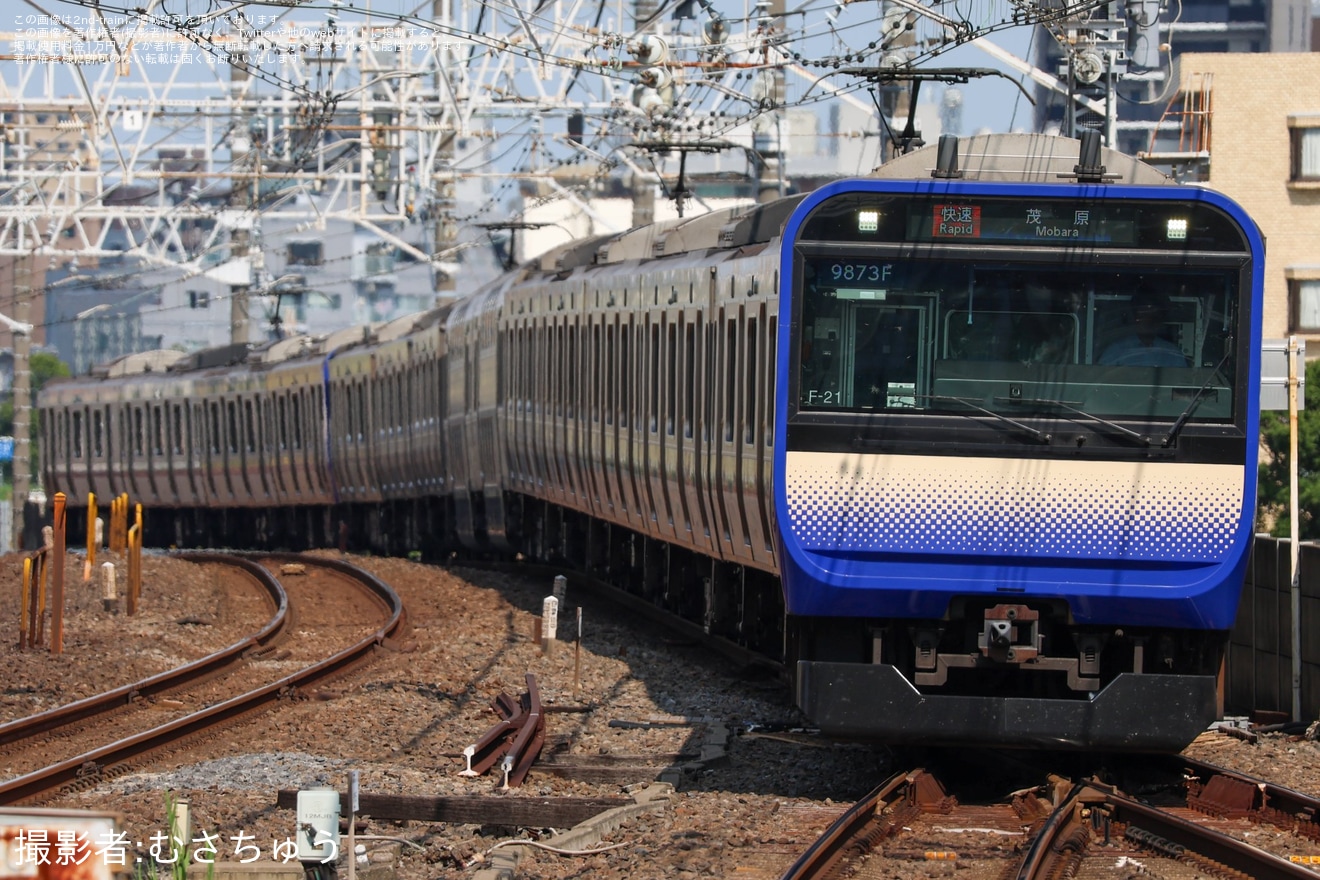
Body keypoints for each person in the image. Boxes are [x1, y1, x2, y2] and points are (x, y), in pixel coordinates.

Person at [1098, 296, 1190, 367]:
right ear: (1134, 318)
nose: (1148, 321)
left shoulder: (1172, 353)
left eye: (1154, 316)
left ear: (1160, 320)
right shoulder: (1116, 350)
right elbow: (1100, 383)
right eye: (1143, 315)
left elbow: (1181, 387)